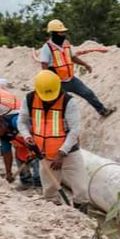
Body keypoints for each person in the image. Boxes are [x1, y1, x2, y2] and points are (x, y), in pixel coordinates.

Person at [18, 70, 90, 209]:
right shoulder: (29, 99)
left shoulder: (68, 102)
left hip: (69, 153)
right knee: (50, 192)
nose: (49, 99)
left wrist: (62, 152)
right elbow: (22, 122)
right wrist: (27, 136)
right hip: (44, 154)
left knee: (81, 189)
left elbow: (75, 130)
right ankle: (56, 219)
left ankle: (81, 218)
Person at [40, 19, 116, 118]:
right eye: (61, 32)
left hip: (71, 79)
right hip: (58, 83)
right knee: (61, 106)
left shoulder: (66, 43)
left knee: (87, 93)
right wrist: (48, 81)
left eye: (64, 32)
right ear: (53, 33)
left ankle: (102, 111)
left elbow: (72, 57)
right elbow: (44, 65)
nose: (63, 34)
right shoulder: (47, 48)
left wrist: (85, 64)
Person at [0, 113, 41, 188]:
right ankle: (27, 183)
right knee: (20, 157)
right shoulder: (3, 134)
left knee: (38, 162)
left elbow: (38, 132)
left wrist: (34, 149)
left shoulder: (16, 121)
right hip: (24, 144)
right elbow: (7, 152)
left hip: (39, 139)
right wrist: (8, 172)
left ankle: (39, 183)